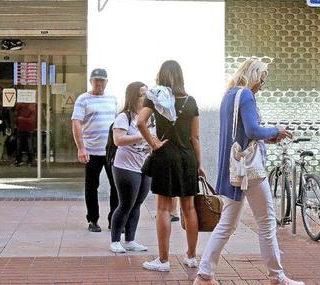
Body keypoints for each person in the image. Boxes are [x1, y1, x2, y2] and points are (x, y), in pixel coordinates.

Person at [194, 58, 303, 285]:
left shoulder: (229, 95)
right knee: (266, 222)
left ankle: (205, 274)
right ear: (254, 76)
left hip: (235, 170)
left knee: (227, 224)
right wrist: (277, 129)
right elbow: (253, 129)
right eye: (262, 79)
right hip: (249, 172)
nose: (262, 85)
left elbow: (243, 133)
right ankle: (277, 276)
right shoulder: (245, 95)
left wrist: (269, 139)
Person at [137, 60, 205, 272]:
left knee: (163, 208)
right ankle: (192, 257)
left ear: (161, 76)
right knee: (189, 207)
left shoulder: (155, 96)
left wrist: (153, 143)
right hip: (187, 158)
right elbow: (195, 137)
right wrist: (199, 165)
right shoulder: (191, 101)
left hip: (165, 156)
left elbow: (140, 122)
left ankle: (163, 260)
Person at [72, 68, 119, 232]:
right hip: (91, 151)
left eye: (102, 80)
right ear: (91, 81)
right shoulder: (83, 99)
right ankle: (93, 220)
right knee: (91, 186)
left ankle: (114, 219)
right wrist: (81, 148)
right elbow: (76, 122)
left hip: (111, 152)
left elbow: (118, 124)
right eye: (96, 80)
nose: (99, 83)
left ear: (107, 81)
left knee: (116, 186)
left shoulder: (113, 99)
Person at [109, 82, 153, 253]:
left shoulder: (150, 117)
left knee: (137, 203)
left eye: (147, 95)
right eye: (143, 95)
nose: (146, 98)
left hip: (144, 166)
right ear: (133, 97)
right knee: (126, 204)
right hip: (125, 167)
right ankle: (115, 240)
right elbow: (118, 140)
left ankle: (130, 240)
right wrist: (142, 135)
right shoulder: (124, 117)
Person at [14, 102, 36, 167]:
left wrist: (21, 119)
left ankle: (30, 161)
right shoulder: (19, 109)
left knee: (29, 147)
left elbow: (31, 120)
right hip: (21, 129)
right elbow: (16, 119)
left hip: (29, 130)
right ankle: (19, 160)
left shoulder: (31, 108)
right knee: (19, 147)